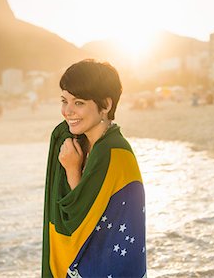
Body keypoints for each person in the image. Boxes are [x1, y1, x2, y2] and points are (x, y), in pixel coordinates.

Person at [42, 59, 146, 278]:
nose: (67, 111)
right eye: (64, 100)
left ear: (106, 105)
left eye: (78, 102)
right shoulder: (82, 143)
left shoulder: (113, 153)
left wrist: (72, 169)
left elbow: (82, 221)